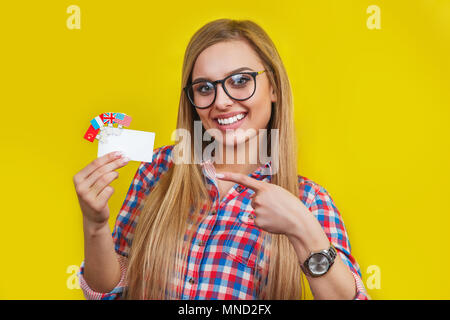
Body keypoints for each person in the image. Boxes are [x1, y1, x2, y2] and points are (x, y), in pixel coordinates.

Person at [73, 18, 368, 300]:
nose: (222, 101)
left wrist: (304, 229)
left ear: (274, 88)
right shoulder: (158, 169)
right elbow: (110, 290)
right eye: (204, 88)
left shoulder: (309, 200)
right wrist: (95, 225)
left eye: (240, 81)